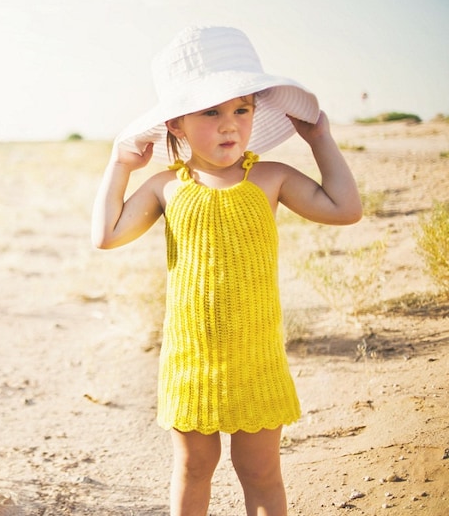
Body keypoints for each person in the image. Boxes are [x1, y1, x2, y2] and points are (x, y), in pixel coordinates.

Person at [92, 25, 362, 516]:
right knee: (195, 469)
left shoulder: (271, 177)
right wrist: (119, 165)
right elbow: (107, 235)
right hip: (191, 359)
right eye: (210, 112)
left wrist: (321, 139)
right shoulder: (164, 188)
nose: (229, 124)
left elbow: (345, 209)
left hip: (256, 357)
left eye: (242, 109)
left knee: (260, 473)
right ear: (175, 123)